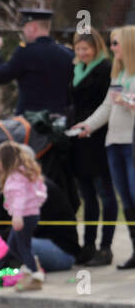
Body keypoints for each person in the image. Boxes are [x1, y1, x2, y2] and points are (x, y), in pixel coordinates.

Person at [73, 25, 135, 270]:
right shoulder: (118, 75)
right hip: (113, 144)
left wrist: (128, 101)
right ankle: (134, 249)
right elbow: (107, 107)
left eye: (116, 43)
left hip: (131, 143)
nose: (112, 48)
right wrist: (87, 125)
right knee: (126, 200)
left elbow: (125, 102)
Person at [68, 33, 116, 265]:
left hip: (98, 138)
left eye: (86, 48)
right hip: (79, 139)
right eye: (78, 49)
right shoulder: (76, 71)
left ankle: (105, 247)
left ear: (96, 48)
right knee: (87, 197)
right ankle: (88, 244)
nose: (82, 53)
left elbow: (106, 106)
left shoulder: (105, 69)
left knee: (105, 194)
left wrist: (90, 125)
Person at [0, 8, 73, 116]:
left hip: (30, 121)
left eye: (25, 27)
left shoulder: (25, 52)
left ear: (33, 28)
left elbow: (0, 76)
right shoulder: (67, 53)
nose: (24, 31)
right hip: (59, 119)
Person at [0, 142, 48, 290]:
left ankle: (35, 274)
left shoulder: (16, 177)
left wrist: (17, 216)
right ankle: (31, 264)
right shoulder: (24, 174)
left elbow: (19, 197)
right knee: (13, 245)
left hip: (23, 216)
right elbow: (41, 193)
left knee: (23, 246)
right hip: (29, 215)